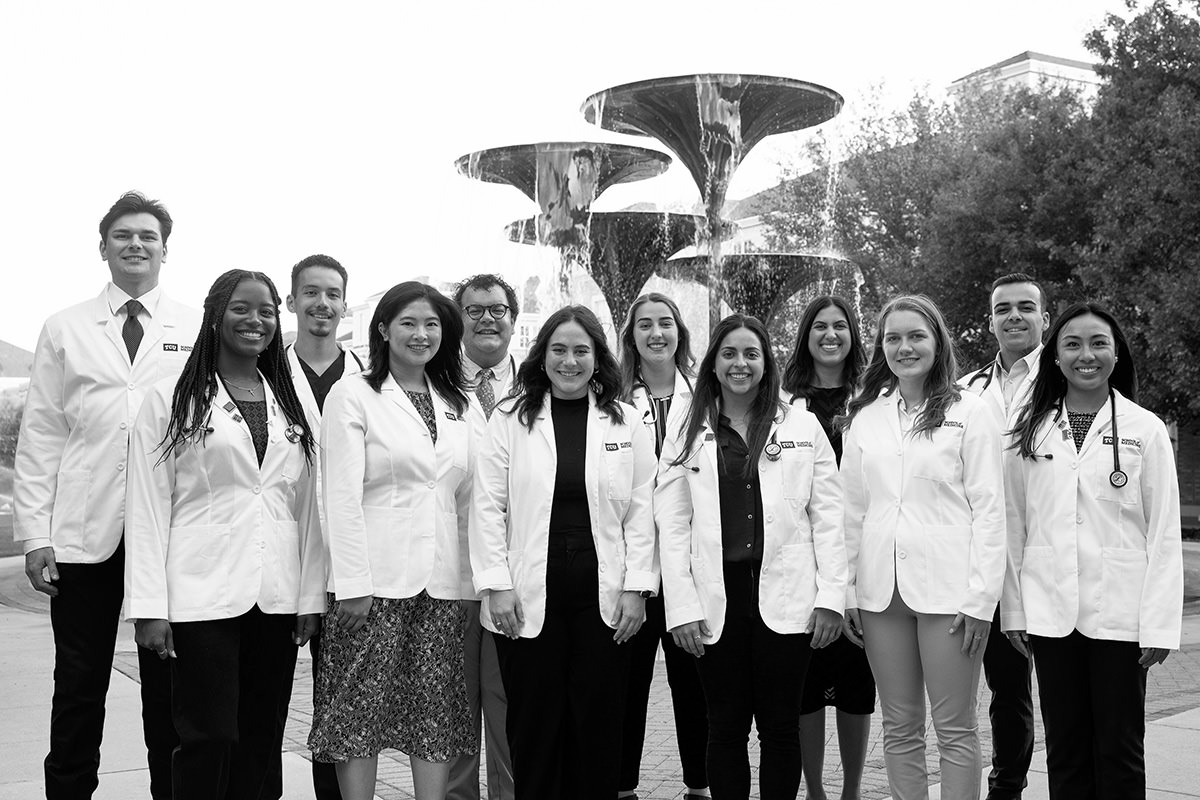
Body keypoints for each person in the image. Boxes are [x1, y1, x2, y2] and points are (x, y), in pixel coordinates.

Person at [14, 191, 196, 800]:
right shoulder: (65, 327)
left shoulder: (195, 325)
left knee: (167, 691)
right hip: (83, 534)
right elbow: (42, 432)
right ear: (103, 248)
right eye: (123, 235)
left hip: (166, 535)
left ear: (166, 249)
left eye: (148, 236)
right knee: (80, 683)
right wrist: (35, 533)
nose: (136, 245)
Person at [124, 269, 324, 800]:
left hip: (275, 595)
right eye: (241, 308)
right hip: (199, 597)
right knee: (208, 735)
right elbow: (147, 505)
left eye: (265, 311)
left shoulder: (292, 404)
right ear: (214, 315)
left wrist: (308, 596)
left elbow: (306, 509)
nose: (255, 320)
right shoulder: (172, 398)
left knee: (260, 739)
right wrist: (148, 606)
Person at [656, 313, 847, 800]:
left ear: (767, 363)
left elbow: (828, 517)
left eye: (751, 354)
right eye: (729, 354)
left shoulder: (800, 424)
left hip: (787, 595)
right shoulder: (687, 429)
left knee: (781, 729)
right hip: (715, 597)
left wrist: (831, 598)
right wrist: (680, 607)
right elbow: (673, 525)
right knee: (724, 729)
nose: (740, 364)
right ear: (713, 365)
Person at [469, 305, 657, 800]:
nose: (569, 361)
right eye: (558, 350)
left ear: (598, 358)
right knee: (534, 728)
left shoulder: (626, 422)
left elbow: (642, 510)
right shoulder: (510, 419)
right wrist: (497, 585)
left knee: (596, 728)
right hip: (528, 597)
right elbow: (487, 507)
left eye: (580, 350)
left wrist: (638, 589)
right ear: (542, 356)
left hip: (606, 600)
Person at [1003, 302, 1183, 800]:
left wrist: (1160, 623)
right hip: (1050, 608)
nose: (1087, 355)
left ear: (1116, 351)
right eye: (1073, 344)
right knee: (1065, 747)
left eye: (1099, 343)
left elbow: (1164, 531)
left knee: (1121, 748)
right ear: (1054, 357)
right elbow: (1014, 522)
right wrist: (1014, 610)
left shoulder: (1145, 428)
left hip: (1122, 613)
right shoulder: (1028, 428)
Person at [309, 281, 481, 800]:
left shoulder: (459, 402)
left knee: (434, 711)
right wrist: (353, 583)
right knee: (358, 711)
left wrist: (474, 582)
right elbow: (337, 495)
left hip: (441, 585)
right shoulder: (354, 393)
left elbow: (468, 498)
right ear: (383, 328)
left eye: (432, 324)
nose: (421, 334)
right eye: (408, 322)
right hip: (372, 586)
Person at [841, 295, 1005, 800]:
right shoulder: (866, 416)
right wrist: (848, 590)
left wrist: (981, 601)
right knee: (900, 724)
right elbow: (852, 513)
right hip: (880, 596)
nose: (904, 347)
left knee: (955, 728)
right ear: (881, 346)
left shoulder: (970, 411)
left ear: (937, 342)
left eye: (916, 336)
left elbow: (991, 512)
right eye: (893, 338)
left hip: (951, 599)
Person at [616, 292, 709, 800]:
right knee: (626, 688)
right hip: (630, 571)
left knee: (693, 686)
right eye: (645, 324)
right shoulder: (610, 401)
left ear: (680, 333)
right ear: (631, 336)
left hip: (689, 568)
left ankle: (699, 784)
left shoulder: (706, 398)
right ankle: (624, 786)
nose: (656, 333)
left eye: (666, 323)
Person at [780, 296, 873, 800]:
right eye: (820, 326)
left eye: (841, 325)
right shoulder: (783, 400)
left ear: (853, 334)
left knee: (857, 683)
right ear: (806, 336)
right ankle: (814, 790)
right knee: (806, 684)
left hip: (861, 559)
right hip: (800, 564)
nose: (831, 334)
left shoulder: (874, 397)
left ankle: (852, 791)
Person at [959, 273, 1047, 799]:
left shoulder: (1065, 379)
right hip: (985, 559)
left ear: (1043, 318)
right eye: (1002, 309)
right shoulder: (969, 388)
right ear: (991, 320)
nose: (1013, 316)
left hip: (1046, 555)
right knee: (1006, 689)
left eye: (1024, 308)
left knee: (1056, 688)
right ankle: (1005, 787)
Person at [284, 253, 364, 800]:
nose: (322, 304)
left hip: (347, 567)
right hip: (278, 557)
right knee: (265, 700)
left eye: (333, 294)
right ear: (291, 302)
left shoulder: (366, 377)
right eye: (310, 293)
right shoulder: (265, 373)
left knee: (338, 702)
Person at [449, 273, 518, 800]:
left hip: (518, 572)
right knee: (454, 707)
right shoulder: (433, 380)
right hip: (450, 571)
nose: (487, 319)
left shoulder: (541, 381)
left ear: (514, 319)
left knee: (508, 705)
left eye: (498, 309)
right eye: (474, 311)